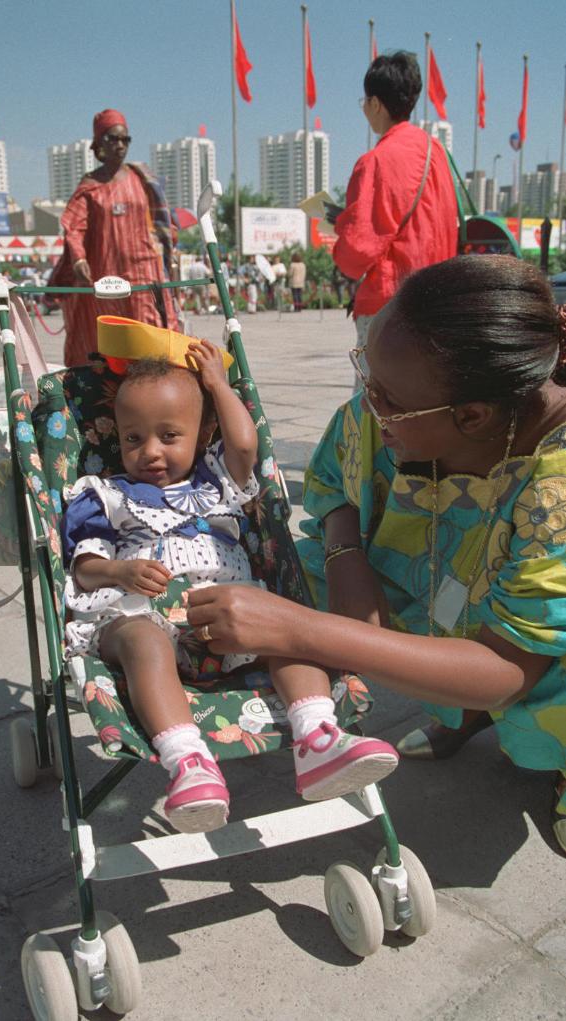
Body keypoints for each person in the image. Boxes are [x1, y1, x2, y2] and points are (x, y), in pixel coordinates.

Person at [187, 256, 566, 856]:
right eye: (366, 373)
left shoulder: (557, 489)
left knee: (540, 682)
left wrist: (304, 630)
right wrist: (346, 554)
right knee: (292, 572)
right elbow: (338, 475)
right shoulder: (403, 403)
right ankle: (462, 712)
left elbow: (509, 668)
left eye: (385, 398)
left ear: (472, 416)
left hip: (535, 653)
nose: (368, 404)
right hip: (459, 594)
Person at [62, 322, 398, 835]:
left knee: (285, 629)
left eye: (169, 436)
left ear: (202, 435)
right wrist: (119, 570)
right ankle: (189, 762)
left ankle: (317, 736)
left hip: (229, 616)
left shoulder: (216, 481)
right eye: (133, 438)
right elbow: (84, 569)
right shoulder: (105, 496)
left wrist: (219, 386)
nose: (150, 451)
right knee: (143, 639)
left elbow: (245, 444)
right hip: (141, 612)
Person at [331, 52, 457, 350]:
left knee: (378, 381)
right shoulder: (436, 152)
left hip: (390, 305)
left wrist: (341, 234)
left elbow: (357, 250)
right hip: (436, 303)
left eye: (365, 102)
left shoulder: (375, 161)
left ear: (376, 103)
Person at [49, 109, 179, 366]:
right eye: (113, 139)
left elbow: (162, 221)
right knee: (108, 342)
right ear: (99, 143)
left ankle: (153, 388)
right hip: (106, 276)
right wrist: (78, 259)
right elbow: (74, 227)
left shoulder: (142, 178)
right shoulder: (90, 186)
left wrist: (168, 250)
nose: (120, 145)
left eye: (125, 139)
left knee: (150, 339)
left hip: (144, 272)